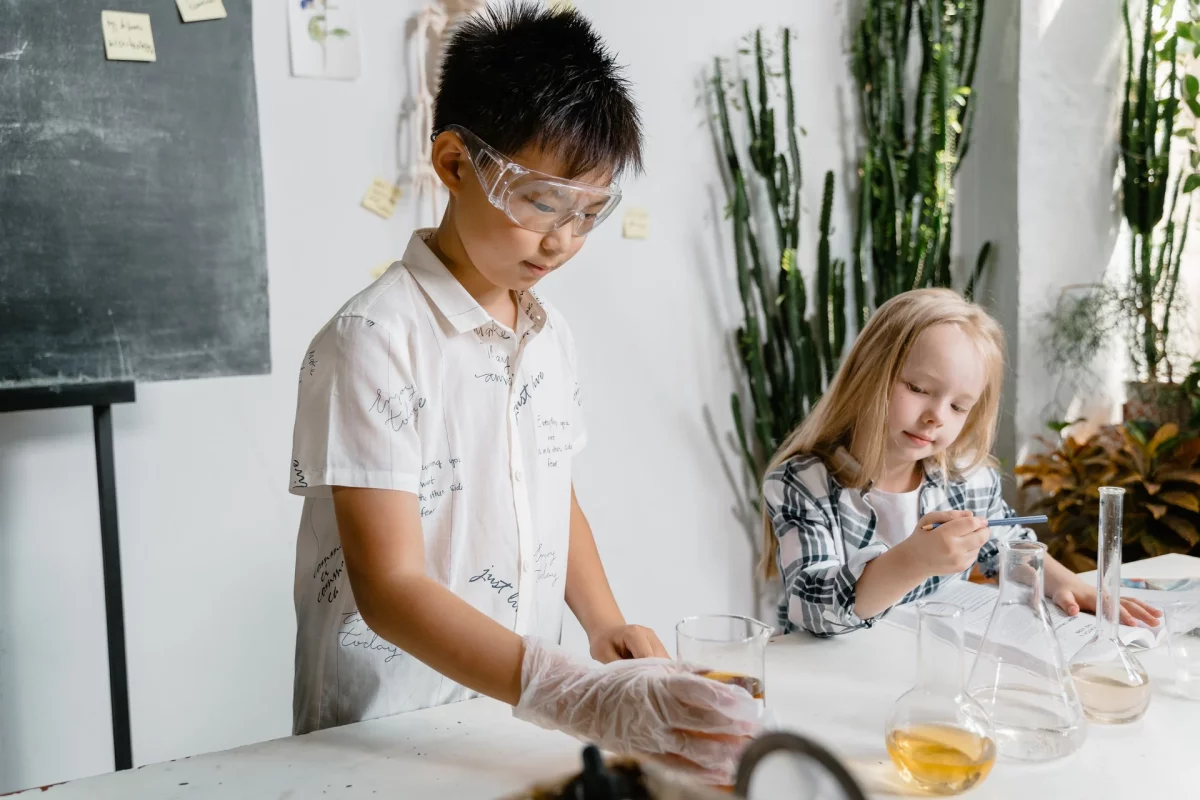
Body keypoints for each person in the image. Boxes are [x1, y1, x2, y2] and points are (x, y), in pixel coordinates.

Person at [287, 1, 758, 781]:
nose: (561, 240)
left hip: (512, 717)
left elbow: (549, 487)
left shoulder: (550, 336)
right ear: (453, 164)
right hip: (384, 732)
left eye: (588, 213)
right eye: (541, 200)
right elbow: (390, 587)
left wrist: (603, 626)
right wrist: (565, 687)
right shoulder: (372, 341)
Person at [760, 288, 1162, 637]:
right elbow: (811, 608)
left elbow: (1004, 546)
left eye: (958, 406)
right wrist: (913, 560)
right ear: (869, 373)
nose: (937, 415)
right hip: (826, 677)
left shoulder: (967, 476)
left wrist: (1065, 582)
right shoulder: (803, 483)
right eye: (918, 388)